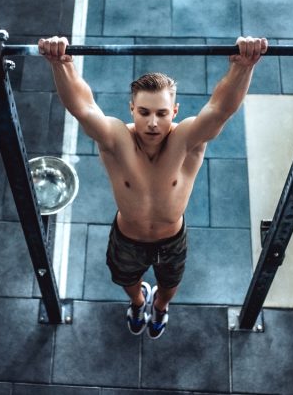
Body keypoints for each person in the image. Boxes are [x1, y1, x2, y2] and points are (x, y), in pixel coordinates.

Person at [39, 36, 268, 338]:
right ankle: (138, 302)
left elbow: (220, 109)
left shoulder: (187, 140)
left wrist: (243, 66)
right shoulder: (115, 138)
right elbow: (83, 108)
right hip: (127, 239)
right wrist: (61, 63)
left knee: (170, 287)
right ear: (132, 108)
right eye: (144, 112)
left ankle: (159, 306)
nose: (152, 123)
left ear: (174, 111)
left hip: (171, 240)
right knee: (128, 281)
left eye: (161, 113)